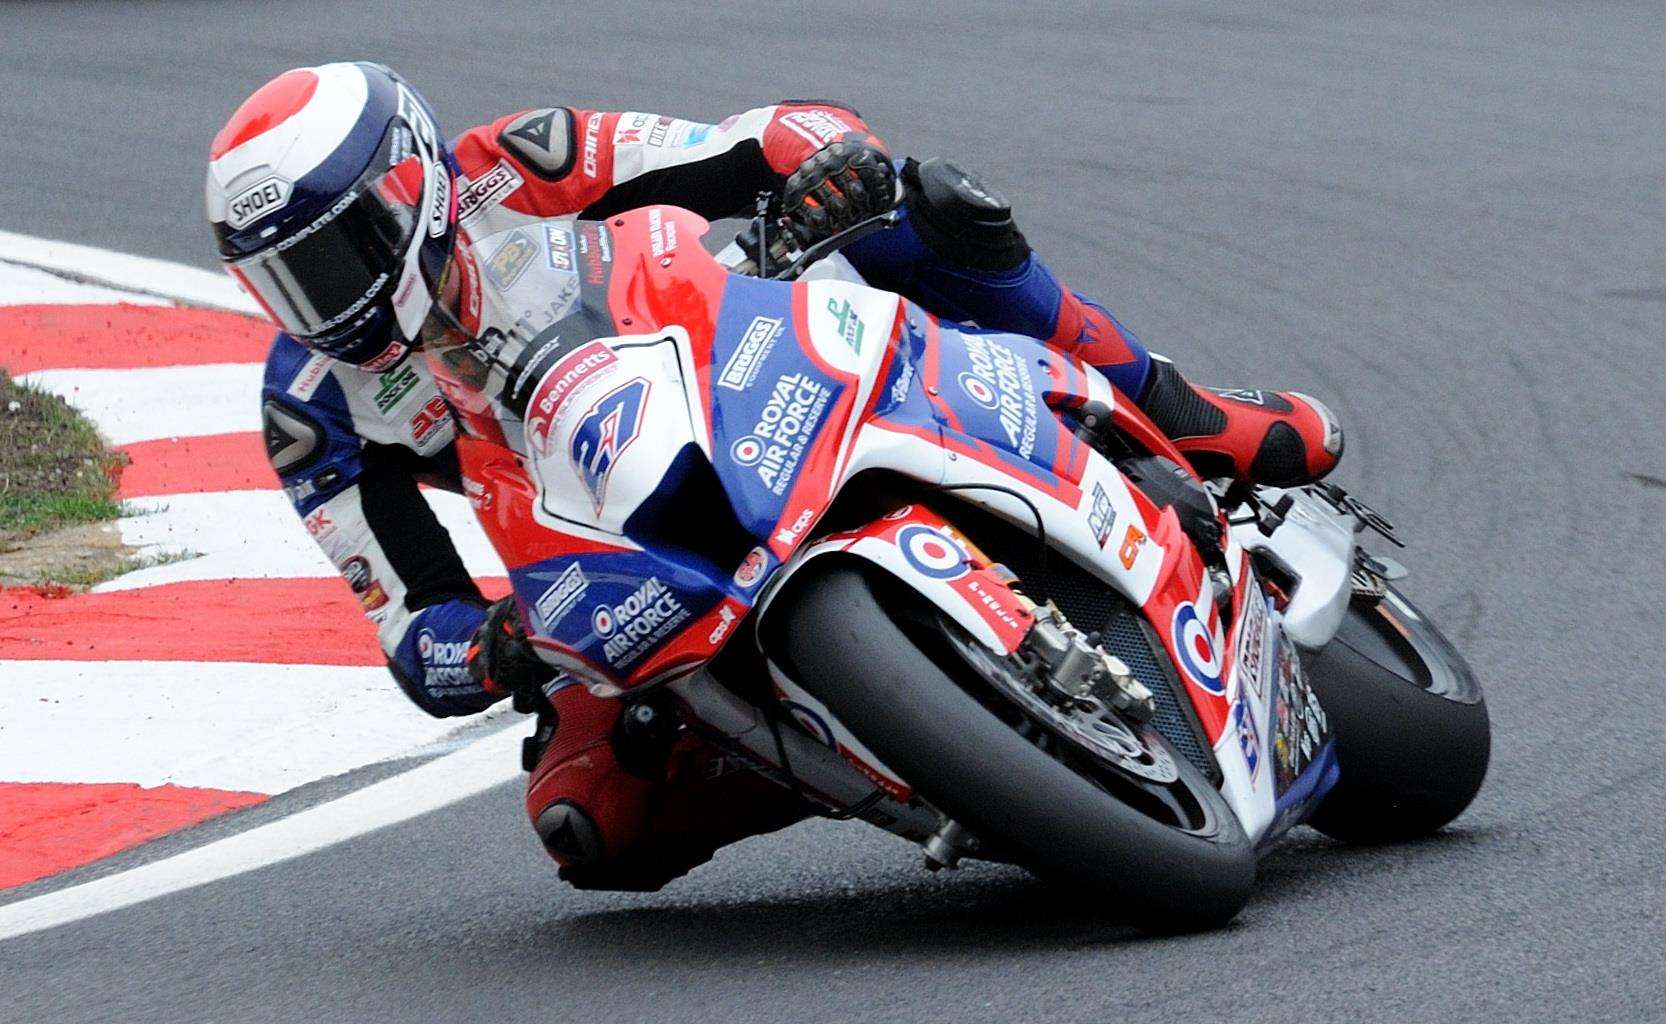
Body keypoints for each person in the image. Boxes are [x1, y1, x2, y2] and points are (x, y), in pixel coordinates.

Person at [209, 62, 1342, 889]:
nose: (324, 304)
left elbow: (741, 141)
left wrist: (821, 161)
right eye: (284, 283)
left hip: (739, 374)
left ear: (411, 190)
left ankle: (1185, 416)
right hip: (603, 558)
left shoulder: (521, 161)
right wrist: (493, 646)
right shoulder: (310, 408)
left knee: (925, 206)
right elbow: (414, 629)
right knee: (585, 821)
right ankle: (894, 741)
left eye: (334, 256)